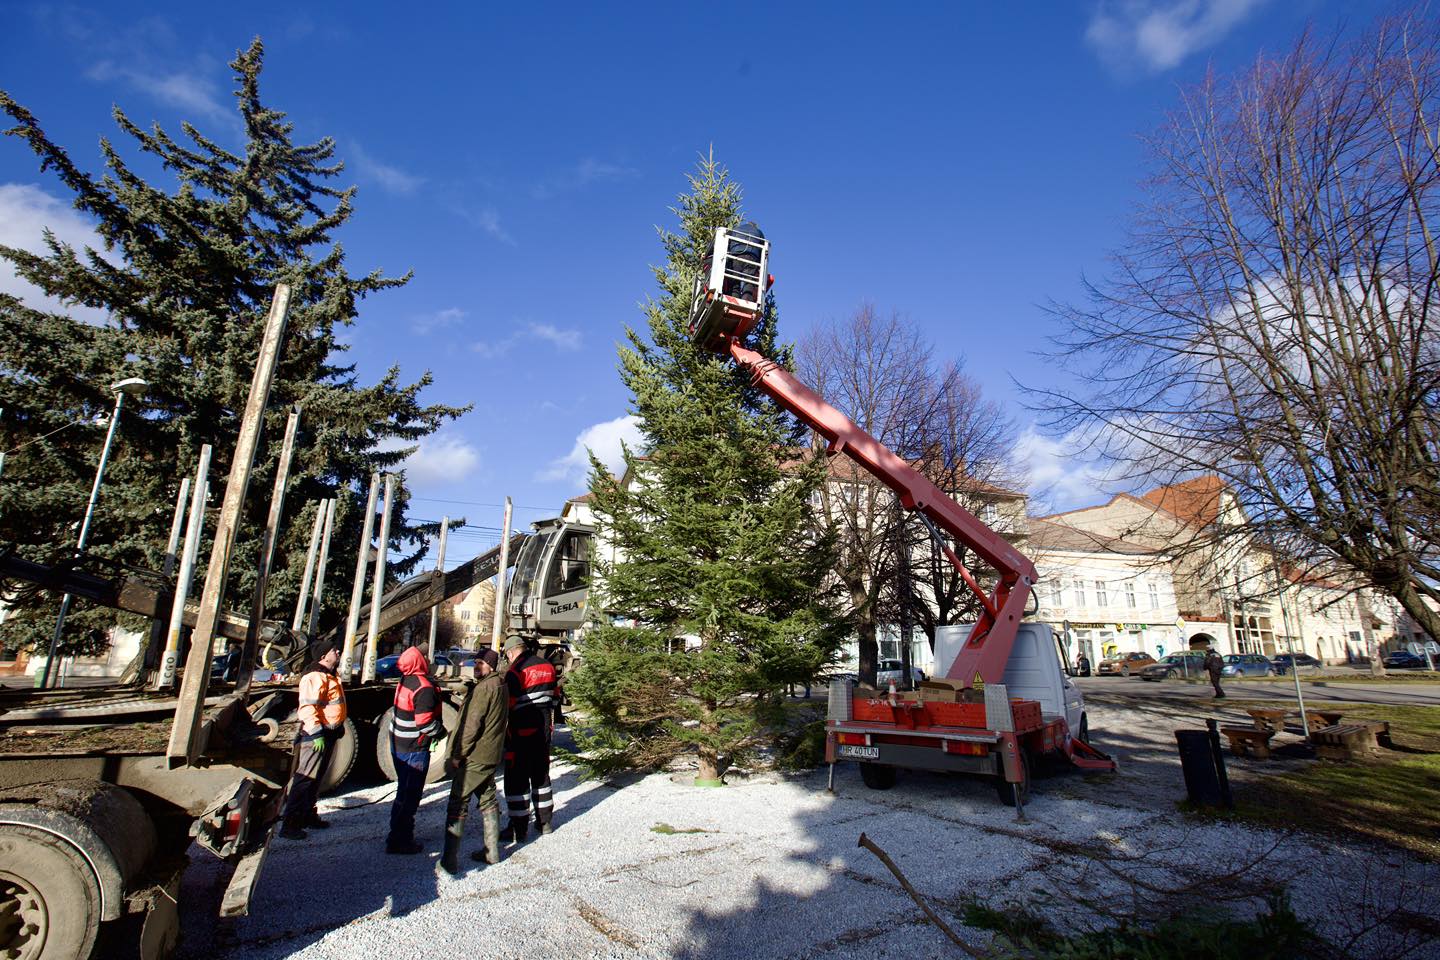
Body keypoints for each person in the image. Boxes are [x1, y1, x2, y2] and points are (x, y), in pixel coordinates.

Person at [441, 648, 507, 874]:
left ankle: (448, 862)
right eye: (476, 662)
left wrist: (459, 754)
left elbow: (471, 726)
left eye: (481, 663)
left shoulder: (483, 689)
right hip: (490, 754)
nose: (476, 666)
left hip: (475, 756)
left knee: (458, 802)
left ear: (491, 666)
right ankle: (492, 852)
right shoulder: (500, 685)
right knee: (488, 800)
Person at [280, 640, 347, 839]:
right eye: (333, 650)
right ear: (323, 656)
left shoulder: (329, 675)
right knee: (305, 778)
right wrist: (316, 733)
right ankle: (290, 825)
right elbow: (308, 708)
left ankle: (308, 815)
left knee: (316, 778)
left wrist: (337, 726)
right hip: (316, 735)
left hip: (328, 733)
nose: (337, 651)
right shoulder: (314, 677)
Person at [386, 646, 445, 855]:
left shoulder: (405, 680)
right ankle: (402, 840)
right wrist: (440, 734)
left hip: (399, 744)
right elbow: (425, 722)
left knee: (403, 791)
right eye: (424, 657)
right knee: (410, 795)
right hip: (414, 747)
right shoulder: (424, 687)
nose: (428, 660)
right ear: (418, 662)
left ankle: (395, 835)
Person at [501, 633, 558, 842]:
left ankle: (518, 828)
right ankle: (545, 822)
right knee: (541, 775)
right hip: (543, 728)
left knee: (517, 779)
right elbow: (555, 697)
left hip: (521, 730)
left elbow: (509, 704)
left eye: (508, 656)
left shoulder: (515, 672)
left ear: (512, 652)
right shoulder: (547, 666)